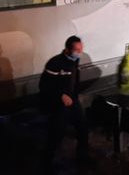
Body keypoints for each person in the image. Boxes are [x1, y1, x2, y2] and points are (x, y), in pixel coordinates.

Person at [39, 35, 92, 168]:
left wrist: (75, 94)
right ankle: (46, 164)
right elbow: (44, 85)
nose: (80, 53)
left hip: (73, 102)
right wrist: (60, 96)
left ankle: (82, 157)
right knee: (56, 134)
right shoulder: (55, 63)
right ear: (67, 50)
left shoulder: (74, 61)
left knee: (83, 128)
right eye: (77, 50)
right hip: (59, 105)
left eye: (81, 49)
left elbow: (73, 81)